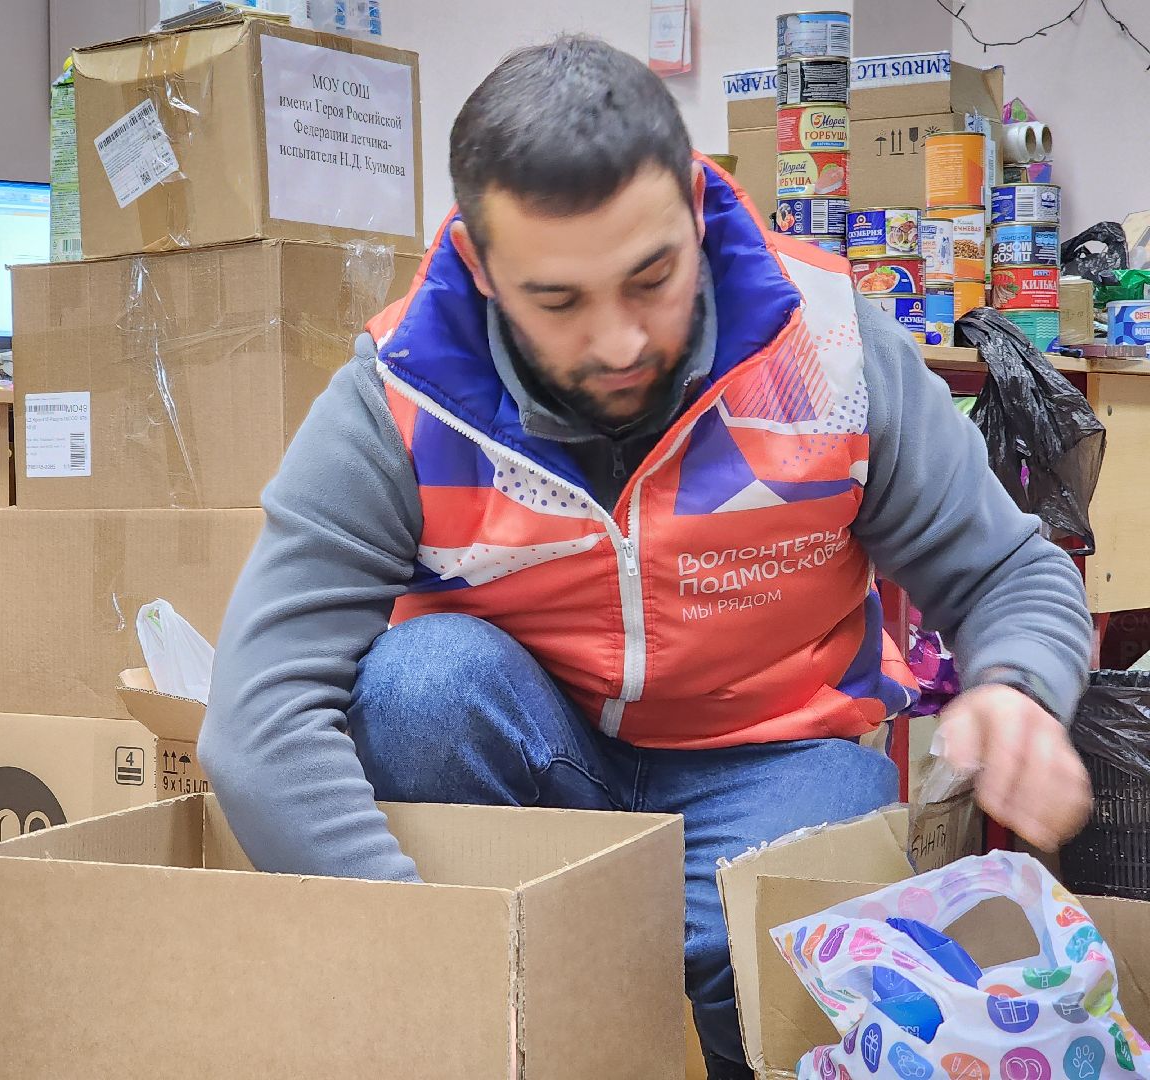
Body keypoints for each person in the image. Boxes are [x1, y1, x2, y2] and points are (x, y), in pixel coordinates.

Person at [200, 36, 1093, 1077]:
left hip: (775, 764)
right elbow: (257, 719)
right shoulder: (400, 396)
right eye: (560, 302)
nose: (621, 341)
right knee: (416, 688)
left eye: (653, 277)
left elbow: (1006, 573)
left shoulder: (831, 348)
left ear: (698, 213)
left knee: (797, 913)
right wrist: (423, 948)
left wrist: (1022, 689)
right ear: (483, 271)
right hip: (535, 762)